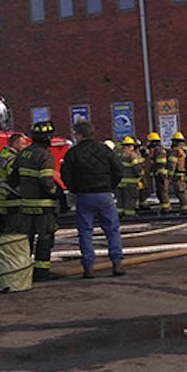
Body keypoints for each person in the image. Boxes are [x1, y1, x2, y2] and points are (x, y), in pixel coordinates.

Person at [59, 119, 125, 278]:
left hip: (84, 196)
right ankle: (117, 264)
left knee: (85, 232)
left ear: (80, 135)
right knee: (112, 230)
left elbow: (65, 175)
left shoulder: (73, 153)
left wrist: (75, 189)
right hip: (105, 195)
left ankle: (88, 268)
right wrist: (110, 186)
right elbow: (118, 170)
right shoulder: (104, 150)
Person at [13, 120, 61, 281]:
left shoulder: (23, 154)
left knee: (27, 241)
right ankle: (41, 273)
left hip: (26, 206)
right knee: (45, 239)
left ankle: (24, 272)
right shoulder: (45, 155)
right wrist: (55, 193)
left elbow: (13, 179)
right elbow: (46, 181)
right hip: (43, 207)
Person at [0, 132, 27, 231]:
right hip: (11, 196)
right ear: (15, 144)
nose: (25, 147)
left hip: (2, 196)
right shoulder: (12, 158)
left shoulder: (2, 154)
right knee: (16, 228)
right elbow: (14, 177)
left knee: (6, 226)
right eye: (23, 144)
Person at [167, 131, 187, 215]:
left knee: (181, 193)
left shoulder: (176, 151)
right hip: (185, 175)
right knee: (185, 192)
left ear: (175, 141)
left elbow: (172, 164)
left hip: (178, 176)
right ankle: (186, 209)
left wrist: (169, 175)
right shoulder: (186, 150)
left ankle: (186, 210)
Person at [115, 136, 145, 217]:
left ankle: (119, 214)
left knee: (121, 200)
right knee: (130, 199)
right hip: (130, 183)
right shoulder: (131, 155)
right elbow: (137, 168)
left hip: (119, 182)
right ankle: (130, 215)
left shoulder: (117, 154)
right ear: (130, 146)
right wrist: (141, 174)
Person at [143, 132, 171, 213]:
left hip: (162, 174)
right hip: (159, 174)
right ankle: (164, 207)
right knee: (160, 191)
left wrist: (157, 171)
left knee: (163, 191)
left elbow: (160, 163)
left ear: (153, 142)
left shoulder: (159, 150)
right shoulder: (156, 150)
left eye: (150, 142)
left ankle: (166, 208)